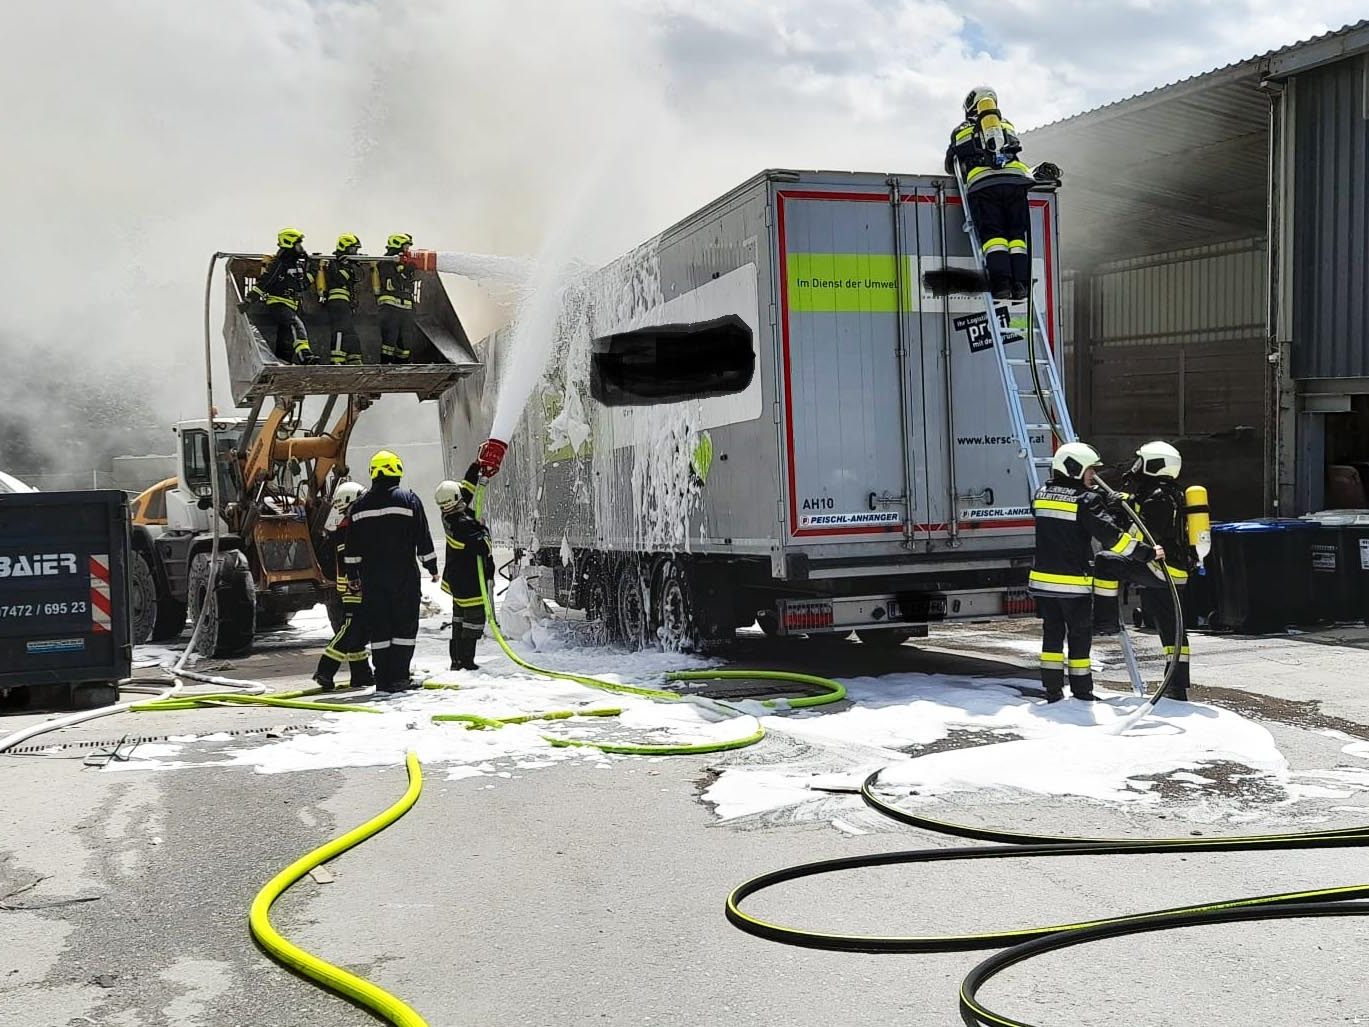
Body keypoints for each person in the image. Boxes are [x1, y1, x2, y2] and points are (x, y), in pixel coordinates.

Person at [1029, 442, 1163, 702]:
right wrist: (1147, 553)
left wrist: (1101, 503)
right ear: (1074, 468)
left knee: (1052, 637)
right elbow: (1112, 537)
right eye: (1090, 470)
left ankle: (1052, 690)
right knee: (1079, 638)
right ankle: (1082, 692)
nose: (1093, 476)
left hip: (1043, 584)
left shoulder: (1040, 493)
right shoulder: (1086, 500)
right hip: (1072, 585)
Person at [1102, 440, 1192, 702]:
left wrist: (1116, 516)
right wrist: (1124, 502)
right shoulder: (1166, 493)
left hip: (1160, 569)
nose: (1136, 467)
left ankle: (1105, 619)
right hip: (1173, 572)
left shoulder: (1158, 498)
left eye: (1141, 462)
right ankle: (1176, 687)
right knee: (1170, 630)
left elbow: (1143, 536)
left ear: (1154, 465)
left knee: (1106, 562)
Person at [945, 87, 1055, 301]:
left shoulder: (962, 130)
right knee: (1016, 238)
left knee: (994, 237)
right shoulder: (1006, 125)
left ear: (970, 106)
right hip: (1015, 184)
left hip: (984, 187)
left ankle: (1002, 285)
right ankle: (1021, 285)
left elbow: (951, 164)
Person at [346, 450, 440, 692]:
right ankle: (399, 677)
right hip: (404, 577)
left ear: (373, 473)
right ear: (397, 470)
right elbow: (423, 536)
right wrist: (431, 566)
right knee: (404, 627)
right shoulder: (408, 500)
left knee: (380, 627)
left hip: (372, 579)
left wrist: (353, 576)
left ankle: (383, 678)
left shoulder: (359, 506)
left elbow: (351, 547)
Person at [312, 481, 373, 691]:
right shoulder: (347, 529)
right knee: (350, 629)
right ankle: (324, 671)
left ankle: (361, 674)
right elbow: (351, 560)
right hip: (353, 586)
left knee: (360, 630)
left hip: (353, 585)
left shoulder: (349, 527)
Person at [436, 463, 493, 671]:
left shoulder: (449, 514)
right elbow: (482, 546)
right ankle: (467, 661)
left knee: (458, 619)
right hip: (469, 581)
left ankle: (456, 661)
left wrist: (477, 466)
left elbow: (466, 491)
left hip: (457, 580)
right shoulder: (462, 524)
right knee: (473, 621)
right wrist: (483, 528)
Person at [245, 227, 318, 364]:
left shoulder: (297, 264)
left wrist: (313, 267)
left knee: (286, 339)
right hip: (278, 303)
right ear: (290, 244)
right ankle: (305, 356)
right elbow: (266, 281)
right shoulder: (280, 263)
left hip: (291, 305)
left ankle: (283, 362)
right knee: (296, 325)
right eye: (298, 244)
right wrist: (250, 299)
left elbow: (302, 284)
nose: (301, 247)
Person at [319, 233, 365, 366]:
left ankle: (354, 358)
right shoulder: (334, 262)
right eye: (353, 249)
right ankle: (336, 359)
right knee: (340, 329)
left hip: (345, 302)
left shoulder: (347, 264)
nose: (355, 252)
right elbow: (340, 279)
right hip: (336, 301)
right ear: (344, 247)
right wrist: (345, 265)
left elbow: (357, 278)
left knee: (350, 330)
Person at [373, 232, 416, 364]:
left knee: (406, 342)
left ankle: (402, 367)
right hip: (390, 308)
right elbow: (390, 284)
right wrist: (404, 272)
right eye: (405, 247)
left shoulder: (404, 263)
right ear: (397, 246)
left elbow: (409, 286)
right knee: (389, 340)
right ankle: (386, 366)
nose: (407, 250)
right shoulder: (386, 262)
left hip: (406, 309)